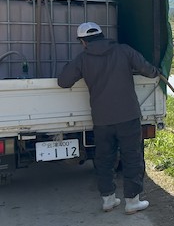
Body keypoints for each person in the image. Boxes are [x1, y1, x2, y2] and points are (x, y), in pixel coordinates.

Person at [58, 22, 160, 214]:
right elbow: (147, 70)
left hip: (102, 119)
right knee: (132, 157)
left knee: (104, 159)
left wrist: (69, 67)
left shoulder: (82, 59)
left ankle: (108, 200)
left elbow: (63, 82)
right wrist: (157, 72)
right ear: (103, 35)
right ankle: (132, 202)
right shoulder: (124, 50)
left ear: (83, 42)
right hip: (128, 116)